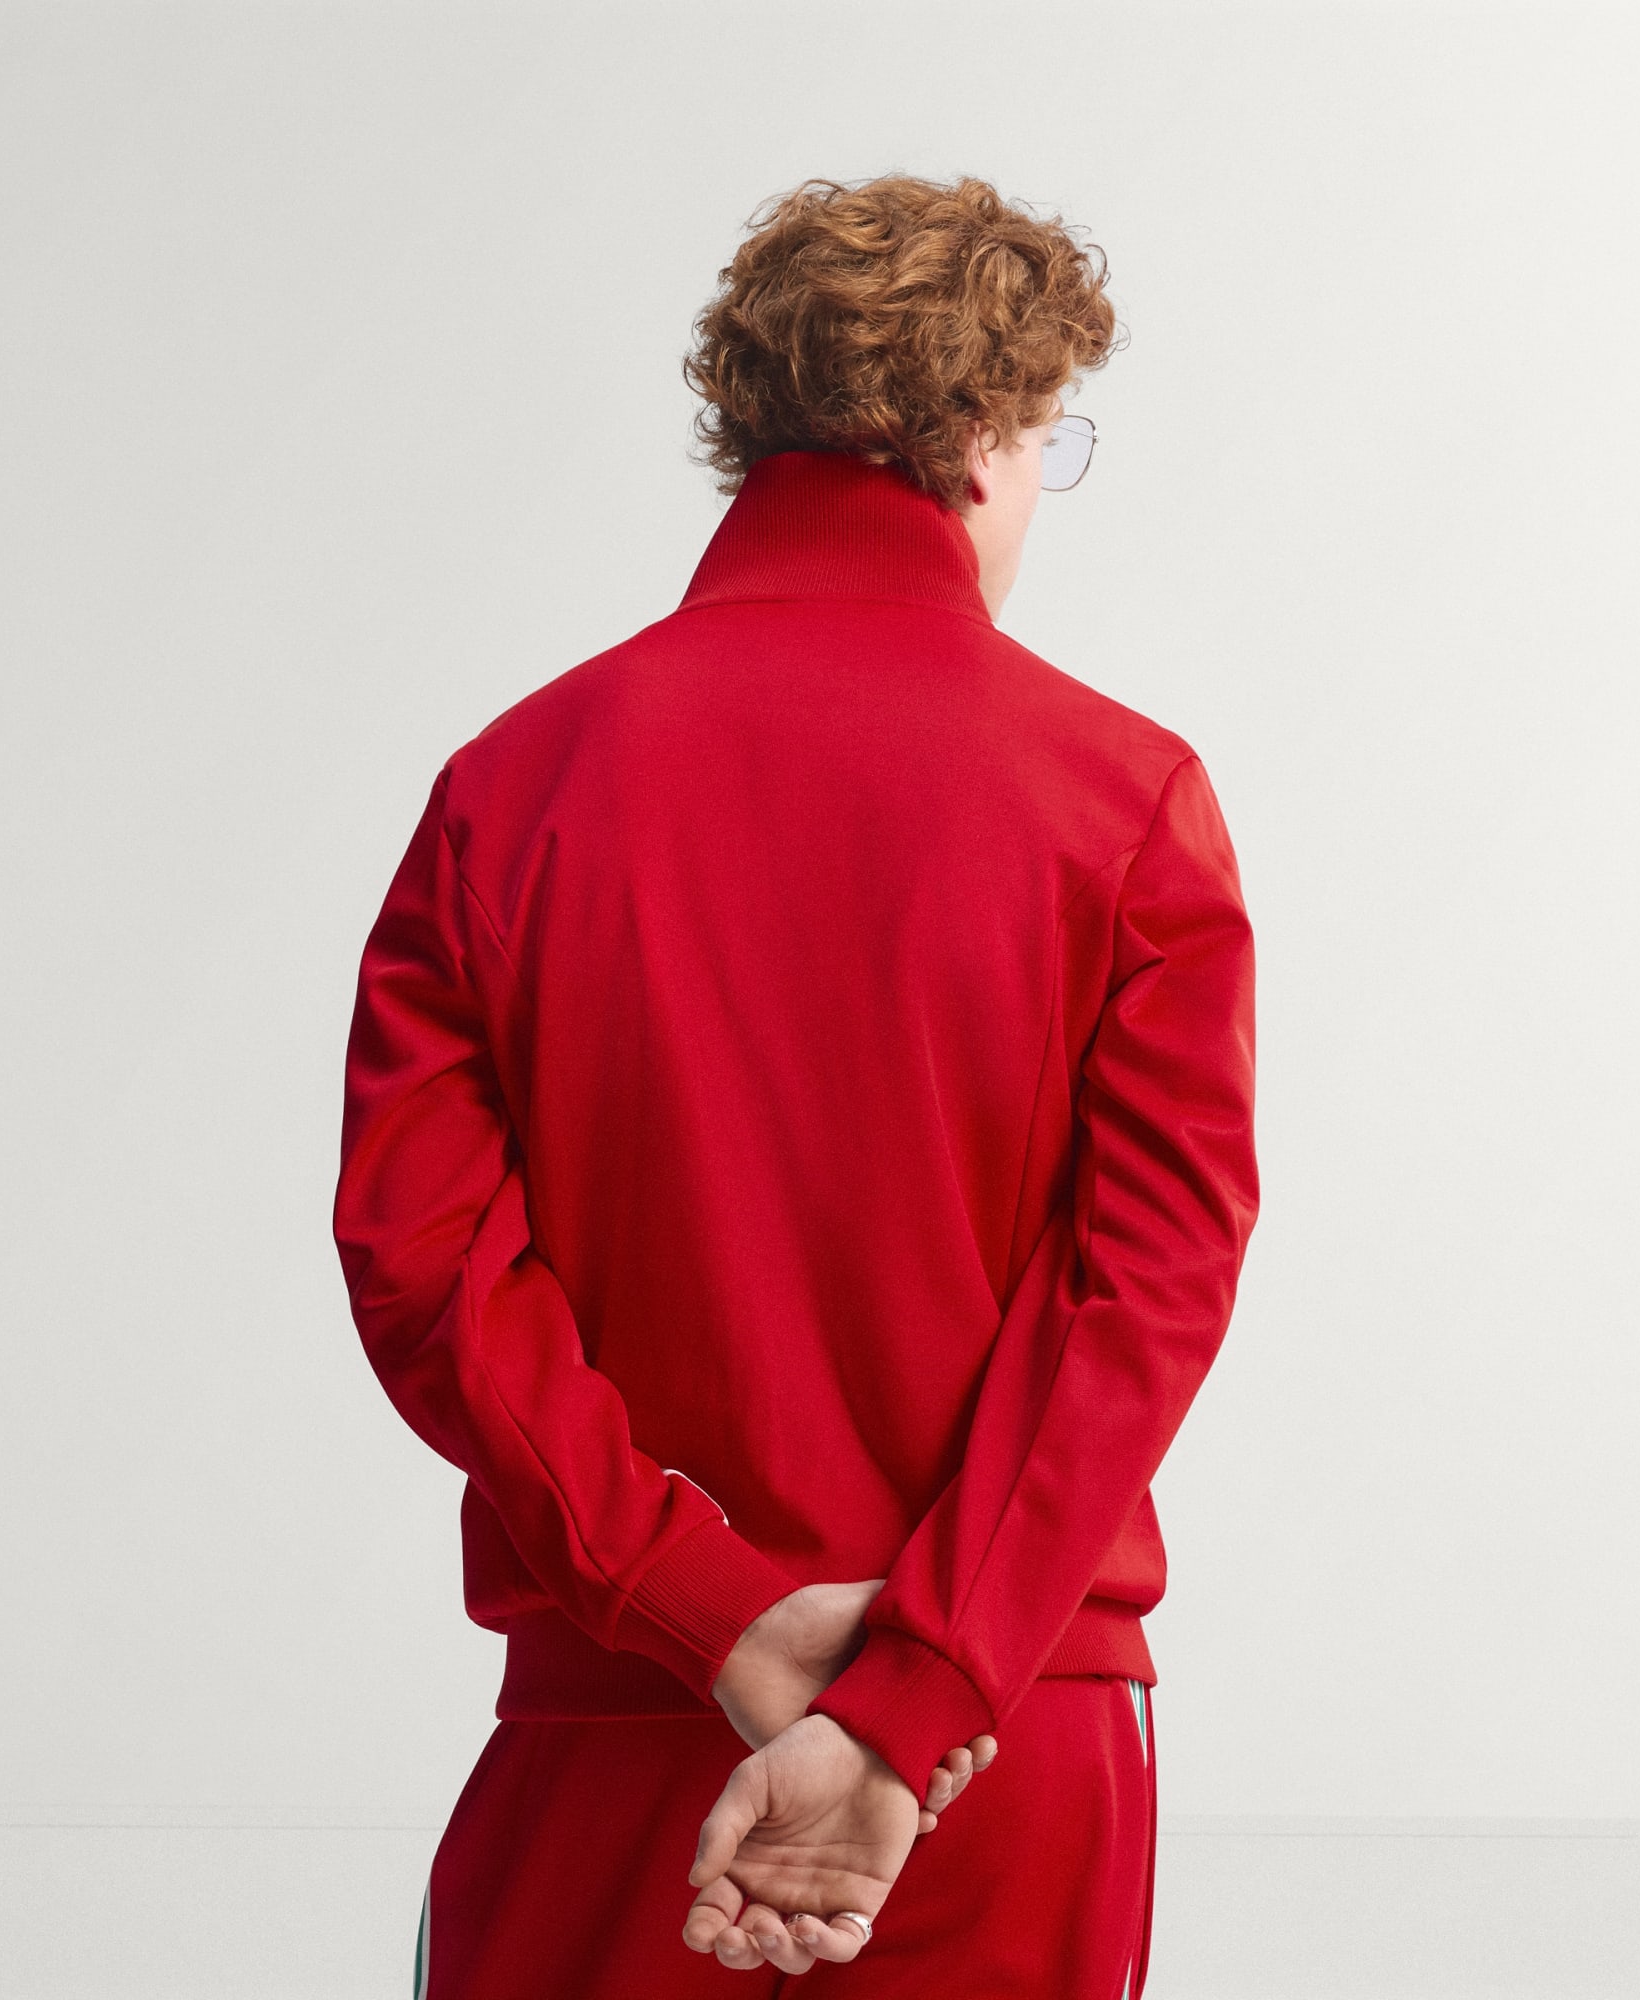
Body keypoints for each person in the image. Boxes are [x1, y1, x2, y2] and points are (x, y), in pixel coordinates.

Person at [332, 172, 1260, 1998]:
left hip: (625, 1717)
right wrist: (913, 1688)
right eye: (1048, 444)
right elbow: (1141, 1292)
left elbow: (423, 1264)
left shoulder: (510, 790)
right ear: (983, 440)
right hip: (999, 1731)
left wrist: (706, 1608)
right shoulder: (1126, 803)